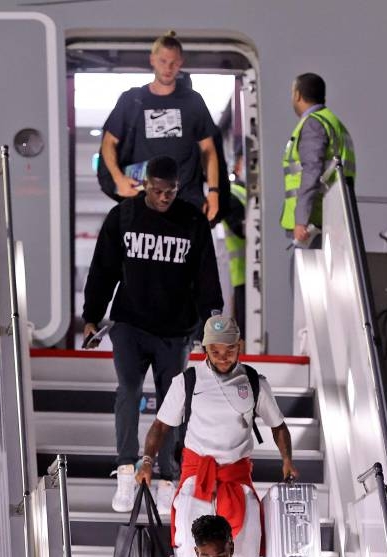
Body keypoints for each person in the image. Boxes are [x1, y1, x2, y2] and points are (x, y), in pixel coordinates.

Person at [82, 155, 223, 514]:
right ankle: (127, 469)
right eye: (158, 191)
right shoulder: (124, 216)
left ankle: (166, 476)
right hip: (130, 323)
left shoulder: (191, 220)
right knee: (128, 391)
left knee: (171, 401)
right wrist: (91, 317)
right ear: (145, 185)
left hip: (175, 330)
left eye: (170, 192)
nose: (164, 198)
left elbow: (206, 276)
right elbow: (103, 269)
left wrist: (213, 326)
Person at [136, 315, 298, 557]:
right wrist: (146, 461)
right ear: (205, 349)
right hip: (196, 481)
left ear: (240, 346)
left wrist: (287, 460)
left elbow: (278, 426)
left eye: (230, 350)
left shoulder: (254, 382)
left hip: (237, 482)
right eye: (215, 351)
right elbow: (160, 426)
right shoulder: (187, 381)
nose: (223, 357)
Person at [101, 31, 221, 220]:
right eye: (163, 61)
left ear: (180, 62)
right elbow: (108, 142)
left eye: (173, 62)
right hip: (144, 197)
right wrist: (119, 179)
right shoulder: (132, 100)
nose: (168, 67)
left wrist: (213, 191)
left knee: (187, 248)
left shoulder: (193, 101)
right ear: (152, 60)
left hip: (186, 198)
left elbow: (208, 150)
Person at [281, 72, 356, 248]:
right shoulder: (334, 123)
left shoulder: (313, 125)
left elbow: (311, 172)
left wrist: (301, 220)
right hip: (331, 217)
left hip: (314, 224)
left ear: (298, 95)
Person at [220, 149, 248, 333]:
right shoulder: (231, 194)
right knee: (246, 325)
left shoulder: (247, 193)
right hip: (243, 272)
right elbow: (240, 229)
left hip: (247, 272)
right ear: (237, 166)